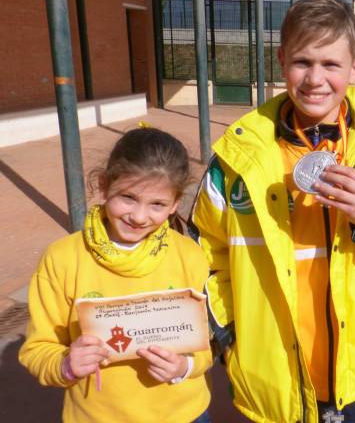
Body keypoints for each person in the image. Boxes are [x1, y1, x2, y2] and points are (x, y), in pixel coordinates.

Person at [188, 0, 355, 423]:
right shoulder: (236, 160)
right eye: (302, 62)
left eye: (331, 65)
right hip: (269, 372)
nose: (315, 79)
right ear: (281, 60)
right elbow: (200, 256)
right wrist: (227, 336)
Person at [19, 128, 212, 423]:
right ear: (104, 184)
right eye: (128, 197)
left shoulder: (191, 255)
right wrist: (66, 364)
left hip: (185, 414)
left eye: (157, 204)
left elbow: (205, 344)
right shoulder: (62, 258)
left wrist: (183, 367)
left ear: (175, 204)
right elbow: (37, 349)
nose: (138, 216)